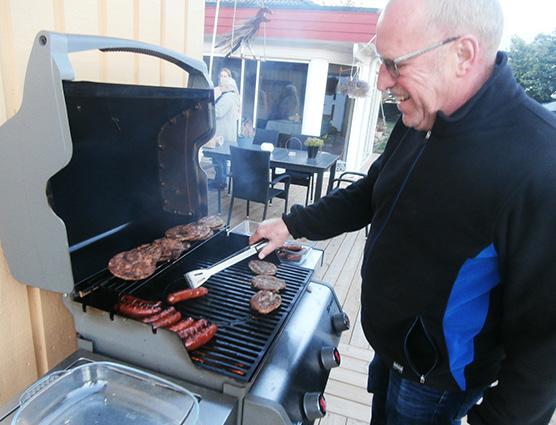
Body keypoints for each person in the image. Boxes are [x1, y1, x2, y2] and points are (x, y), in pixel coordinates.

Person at [250, 0, 556, 424]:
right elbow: (371, 191)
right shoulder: (422, 117)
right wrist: (292, 222)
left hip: (437, 388)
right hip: (387, 351)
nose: (380, 81)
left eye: (394, 64)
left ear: (462, 55)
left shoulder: (540, 162)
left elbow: (544, 348)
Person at [211, 76, 240, 189]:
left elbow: (218, 112)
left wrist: (208, 107)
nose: (220, 87)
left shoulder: (227, 98)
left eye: (222, 85)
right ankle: (221, 180)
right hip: (228, 134)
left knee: (218, 158)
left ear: (228, 87)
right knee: (221, 158)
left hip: (222, 134)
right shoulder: (233, 97)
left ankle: (220, 182)